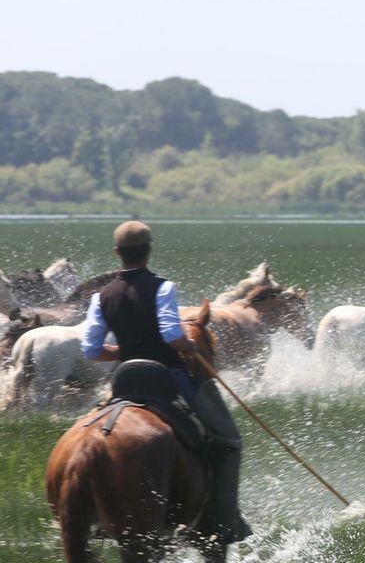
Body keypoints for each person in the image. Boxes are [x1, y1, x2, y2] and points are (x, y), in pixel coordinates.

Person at [81, 220, 251, 544]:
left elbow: (90, 349)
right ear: (148, 251)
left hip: (123, 379)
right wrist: (186, 346)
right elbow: (172, 335)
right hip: (168, 377)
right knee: (230, 442)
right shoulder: (163, 287)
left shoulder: (101, 296)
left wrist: (122, 349)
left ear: (118, 253)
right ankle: (224, 520)